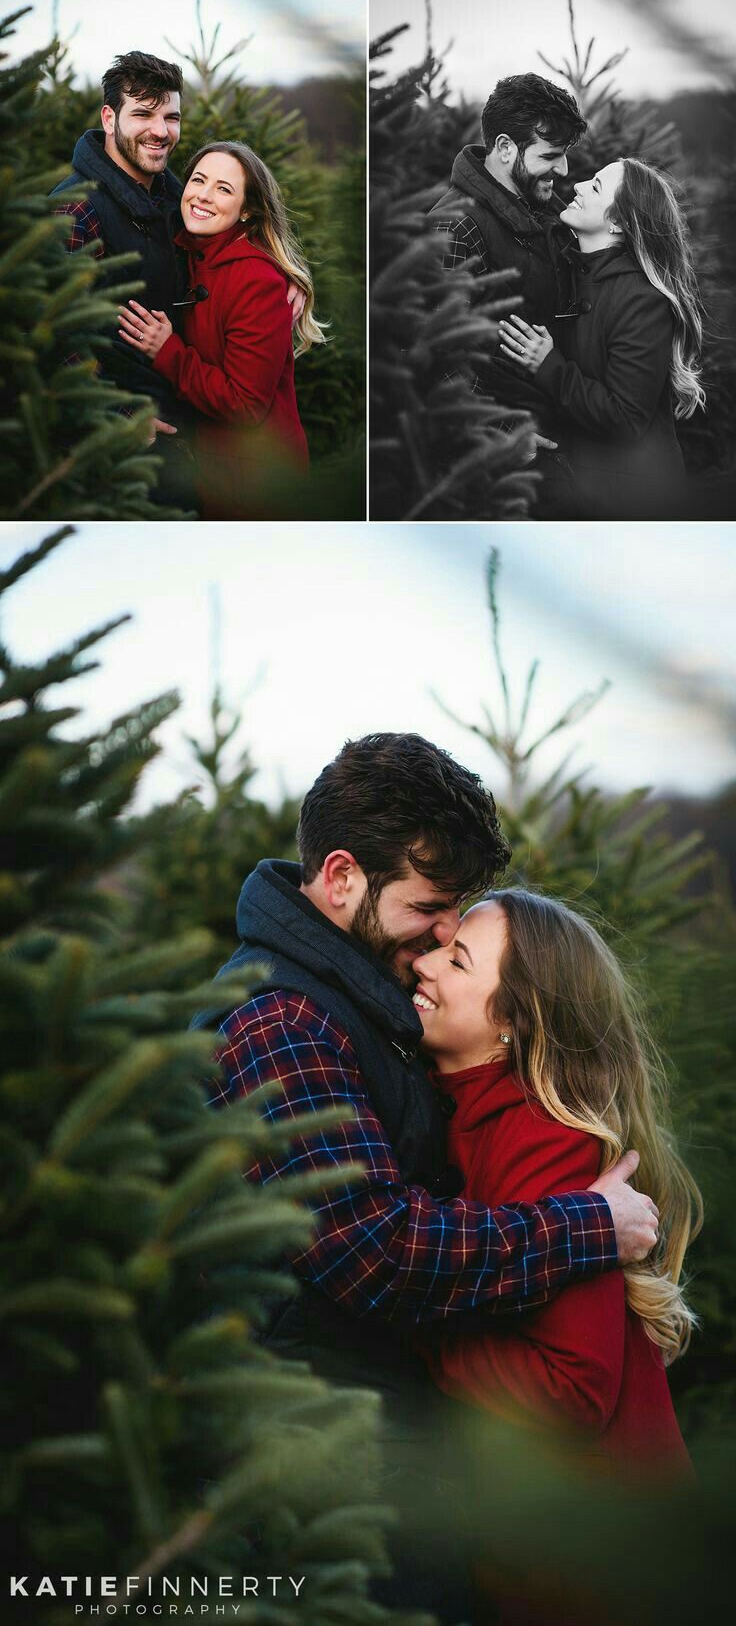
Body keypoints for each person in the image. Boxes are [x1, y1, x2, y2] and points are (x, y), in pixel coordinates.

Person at [195, 733, 660, 1618]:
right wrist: (590, 1226)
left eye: (459, 919)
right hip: (327, 1491)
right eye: (431, 906)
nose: (447, 931)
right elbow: (374, 1246)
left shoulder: (364, 1001)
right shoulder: (281, 1023)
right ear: (340, 878)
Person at [413, 890, 702, 1478]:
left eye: (458, 961)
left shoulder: (545, 1138)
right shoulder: (439, 1106)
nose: (424, 962)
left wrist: (403, 1328)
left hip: (594, 1539)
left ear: (514, 1023)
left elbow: (574, 1390)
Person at [51, 52, 304, 512]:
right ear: (110, 118)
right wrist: (120, 417)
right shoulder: (75, 211)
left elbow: (234, 246)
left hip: (198, 437)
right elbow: (52, 338)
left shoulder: (175, 196)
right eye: (143, 114)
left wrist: (288, 279)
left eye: (171, 116)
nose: (160, 130)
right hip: (128, 453)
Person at [118, 140, 321, 519]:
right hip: (209, 470)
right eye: (198, 180)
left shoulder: (255, 280)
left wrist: (167, 352)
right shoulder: (188, 250)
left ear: (247, 211)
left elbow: (245, 406)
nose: (204, 196)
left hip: (255, 483)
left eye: (224, 189)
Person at [498, 158, 706, 520]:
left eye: (594, 186)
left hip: (632, 503)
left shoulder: (641, 300)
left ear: (618, 223)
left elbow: (626, 418)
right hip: (576, 490)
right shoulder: (569, 276)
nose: (577, 186)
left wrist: (548, 365)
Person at [429, 73, 587, 507]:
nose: (564, 169)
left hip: (556, 430)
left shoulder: (543, 208)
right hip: (508, 464)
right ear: (504, 149)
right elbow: (433, 357)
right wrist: (502, 436)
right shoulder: (455, 226)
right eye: (551, 155)